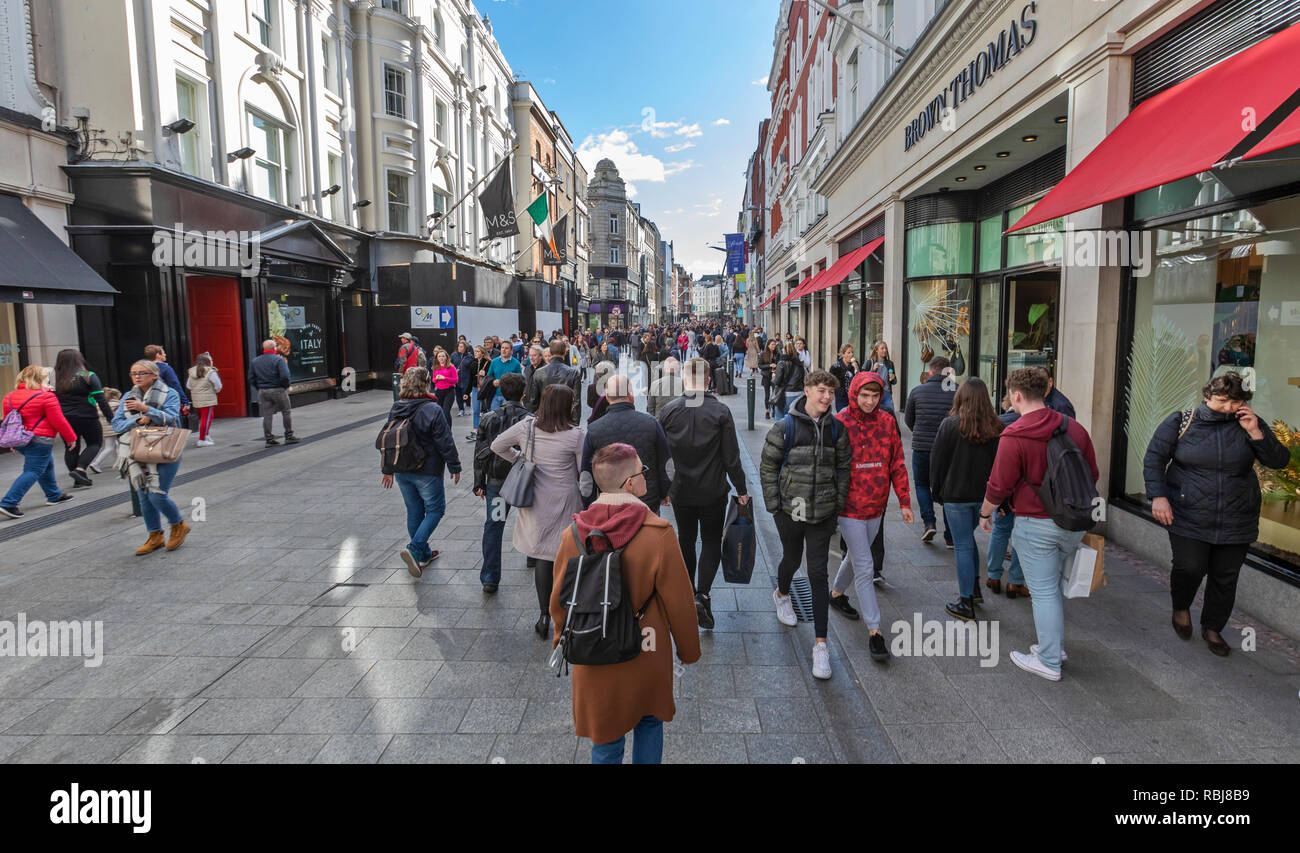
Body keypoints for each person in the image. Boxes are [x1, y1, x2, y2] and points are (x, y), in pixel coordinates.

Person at [551, 443, 701, 764]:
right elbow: (680, 602)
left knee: (605, 741)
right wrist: (688, 651)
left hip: (593, 649)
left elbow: (559, 601)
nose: (647, 476)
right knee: (649, 722)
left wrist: (562, 642)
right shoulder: (658, 533)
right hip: (646, 649)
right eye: (643, 472)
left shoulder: (573, 535)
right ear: (630, 484)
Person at [1143, 372, 1289, 656]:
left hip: (1237, 516)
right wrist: (1158, 496)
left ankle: (1213, 628)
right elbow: (1154, 458)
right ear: (1207, 396)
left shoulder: (1249, 425)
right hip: (1188, 512)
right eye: (1223, 400)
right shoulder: (1180, 421)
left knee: (1225, 577)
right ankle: (1181, 607)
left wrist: (1256, 432)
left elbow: (1278, 461)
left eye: (1236, 401)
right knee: (1190, 567)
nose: (1228, 407)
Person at [979, 367, 1099, 681]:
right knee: (1054, 587)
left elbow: (999, 485)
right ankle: (1053, 647)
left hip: (1036, 523)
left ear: (1016, 396)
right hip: (1073, 522)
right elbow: (1093, 474)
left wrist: (985, 513)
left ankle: (1048, 660)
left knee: (1044, 591)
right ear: (1045, 391)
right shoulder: (1074, 428)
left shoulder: (1016, 433)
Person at [760, 369, 851, 680]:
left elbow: (843, 468)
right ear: (808, 390)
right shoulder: (784, 427)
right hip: (790, 510)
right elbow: (768, 467)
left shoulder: (837, 430)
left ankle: (821, 644)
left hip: (822, 513)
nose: (827, 397)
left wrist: (837, 503)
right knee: (790, 559)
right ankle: (782, 594)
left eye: (830, 392)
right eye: (821, 391)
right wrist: (774, 505)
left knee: (817, 574)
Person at [827, 372, 912, 660]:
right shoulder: (840, 422)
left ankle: (836, 594)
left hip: (877, 505)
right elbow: (829, 464)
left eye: (875, 396)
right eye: (865, 395)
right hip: (849, 507)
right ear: (854, 394)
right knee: (865, 566)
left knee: (855, 556)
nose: (870, 401)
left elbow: (898, 463)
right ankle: (875, 631)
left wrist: (904, 502)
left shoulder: (888, 421)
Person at [658, 358, 748, 629]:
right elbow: (731, 457)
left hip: (681, 491)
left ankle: (688, 593)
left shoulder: (669, 411)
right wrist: (742, 489)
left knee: (686, 539)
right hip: (712, 491)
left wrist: (664, 488)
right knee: (711, 541)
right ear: (708, 380)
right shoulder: (721, 411)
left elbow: (662, 455)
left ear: (685, 379)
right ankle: (703, 593)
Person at [491, 384, 584, 638]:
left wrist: (522, 460)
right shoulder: (576, 435)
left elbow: (497, 446)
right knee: (565, 555)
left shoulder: (527, 427)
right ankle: (563, 613)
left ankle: (544, 615)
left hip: (536, 498)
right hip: (565, 498)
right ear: (568, 407)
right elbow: (581, 471)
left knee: (542, 556)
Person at [929, 377, 1003, 621]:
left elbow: (937, 463)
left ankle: (966, 602)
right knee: (967, 540)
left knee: (961, 544)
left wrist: (936, 491)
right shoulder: (998, 428)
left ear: (960, 397)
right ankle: (975, 589)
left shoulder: (950, 425)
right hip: (984, 497)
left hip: (956, 495)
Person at [381, 366, 461, 578]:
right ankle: (415, 548)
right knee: (435, 510)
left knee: (414, 510)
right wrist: (455, 466)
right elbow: (445, 441)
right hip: (427, 470)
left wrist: (387, 469)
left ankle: (424, 554)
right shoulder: (433, 409)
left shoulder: (396, 407)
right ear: (426, 384)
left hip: (401, 470)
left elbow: (390, 440)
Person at [112, 359, 191, 554]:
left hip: (164, 448)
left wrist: (148, 410)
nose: (137, 376)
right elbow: (116, 425)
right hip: (137, 450)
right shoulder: (128, 397)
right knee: (143, 496)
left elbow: (172, 418)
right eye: (133, 373)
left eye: (142, 373)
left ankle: (178, 525)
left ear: (155, 375)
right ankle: (155, 535)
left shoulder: (169, 394)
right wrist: (138, 419)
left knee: (157, 494)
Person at [473, 373, 530, 594]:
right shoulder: (531, 419)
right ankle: (533, 555)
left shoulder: (488, 417)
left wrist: (479, 482)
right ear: (524, 394)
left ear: (501, 392)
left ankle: (490, 577)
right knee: (530, 518)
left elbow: (479, 452)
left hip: (497, 482)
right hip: (524, 480)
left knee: (494, 526)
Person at [581, 374, 671, 514]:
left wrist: (590, 504)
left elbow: (586, 474)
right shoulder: (651, 423)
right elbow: (666, 463)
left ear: (607, 398)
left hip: (610, 505)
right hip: (646, 500)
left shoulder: (594, 430)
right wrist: (664, 492)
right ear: (631, 396)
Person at [1, 365, 77, 518]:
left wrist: (11, 442)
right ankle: (9, 503)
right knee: (33, 470)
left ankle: (54, 495)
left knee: (46, 464)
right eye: (46, 378)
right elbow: (58, 421)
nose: (49, 381)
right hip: (40, 440)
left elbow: (10, 422)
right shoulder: (47, 396)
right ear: (39, 379)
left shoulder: (9, 396)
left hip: (20, 439)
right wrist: (71, 438)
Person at [904, 355, 956, 546]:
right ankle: (951, 535)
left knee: (922, 484)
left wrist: (919, 433)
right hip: (949, 449)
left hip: (922, 447)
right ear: (948, 373)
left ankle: (929, 523)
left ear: (930, 372)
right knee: (949, 490)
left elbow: (909, 420)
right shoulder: (957, 392)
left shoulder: (917, 391)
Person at [53, 349, 115, 488]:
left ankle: (78, 480)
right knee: (95, 443)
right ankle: (80, 470)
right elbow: (101, 400)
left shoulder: (55, 377)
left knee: (71, 447)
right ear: (78, 359)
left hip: (64, 418)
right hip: (87, 416)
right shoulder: (88, 376)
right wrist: (111, 418)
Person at [986, 393, 1029, 599]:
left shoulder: (997, 423)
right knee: (1021, 536)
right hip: (1026, 494)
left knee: (1000, 531)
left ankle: (993, 576)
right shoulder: (1032, 424)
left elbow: (992, 463)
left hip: (1003, 490)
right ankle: (1015, 582)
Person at [248, 339, 298, 447]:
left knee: (267, 415)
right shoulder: (279, 360)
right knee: (286, 411)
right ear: (274, 348)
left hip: (263, 391)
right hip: (278, 389)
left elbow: (251, 378)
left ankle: (269, 439)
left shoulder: (255, 361)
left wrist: (258, 387)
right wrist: (285, 386)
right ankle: (289, 435)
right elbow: (285, 376)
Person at [526, 340, 582, 424]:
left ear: (551, 352)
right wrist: (575, 423)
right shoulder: (573, 373)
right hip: (565, 418)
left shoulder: (539, 372)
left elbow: (534, 401)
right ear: (565, 352)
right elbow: (576, 401)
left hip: (545, 418)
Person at [186, 352, 222, 447]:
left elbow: (188, 385)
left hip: (196, 398)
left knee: (203, 418)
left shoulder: (192, 371)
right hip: (208, 398)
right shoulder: (211, 372)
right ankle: (202, 439)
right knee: (207, 419)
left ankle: (206, 435)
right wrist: (214, 391)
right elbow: (218, 386)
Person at [144, 344, 191, 417]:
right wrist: (185, 402)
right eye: (163, 353)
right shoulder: (166, 368)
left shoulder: (144, 369)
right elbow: (175, 385)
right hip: (166, 400)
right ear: (158, 355)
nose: (165, 354)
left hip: (148, 401)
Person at [88, 387, 123, 475]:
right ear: (115, 397)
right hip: (113, 428)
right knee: (110, 447)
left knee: (115, 445)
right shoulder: (117, 404)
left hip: (104, 429)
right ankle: (95, 463)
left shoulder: (99, 404)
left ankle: (119, 462)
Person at [485, 340, 523, 413]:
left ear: (511, 350)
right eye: (502, 348)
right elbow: (489, 376)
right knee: (494, 418)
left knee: (507, 419)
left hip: (509, 397)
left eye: (506, 348)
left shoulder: (516, 363)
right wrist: (493, 381)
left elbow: (520, 381)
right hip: (495, 395)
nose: (504, 350)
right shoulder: (494, 362)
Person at [772, 341, 805, 419]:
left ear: (785, 350)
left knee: (780, 420)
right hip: (798, 395)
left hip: (785, 395)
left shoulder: (781, 363)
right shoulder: (800, 364)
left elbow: (777, 381)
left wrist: (773, 376)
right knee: (795, 421)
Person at [428, 348, 459, 424]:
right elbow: (433, 380)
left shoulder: (451, 367)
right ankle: (441, 430)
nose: (441, 358)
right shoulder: (435, 367)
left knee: (446, 412)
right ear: (437, 358)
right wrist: (436, 379)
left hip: (449, 391)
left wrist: (444, 378)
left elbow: (455, 380)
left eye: (443, 356)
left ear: (446, 357)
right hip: (438, 391)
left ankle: (448, 431)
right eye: (439, 356)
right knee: (439, 412)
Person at [828, 344, 859, 413]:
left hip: (853, 397)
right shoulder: (836, 367)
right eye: (849, 352)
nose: (851, 354)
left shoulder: (855, 364)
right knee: (843, 416)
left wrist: (857, 369)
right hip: (841, 397)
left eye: (852, 352)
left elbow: (859, 378)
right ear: (843, 354)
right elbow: (831, 381)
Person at [586, 360, 615, 424]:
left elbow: (590, 404)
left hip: (597, 419)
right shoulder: (615, 388)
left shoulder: (591, 388)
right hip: (611, 419)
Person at [452, 341, 475, 417]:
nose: (460, 348)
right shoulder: (454, 355)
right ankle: (461, 409)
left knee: (466, 393)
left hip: (466, 378)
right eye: (459, 346)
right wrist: (454, 370)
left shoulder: (470, 356)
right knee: (458, 395)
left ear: (465, 348)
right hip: (457, 378)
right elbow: (450, 365)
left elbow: (473, 367)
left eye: (462, 347)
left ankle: (468, 407)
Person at [758, 338, 780, 419]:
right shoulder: (763, 354)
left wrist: (776, 366)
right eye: (772, 344)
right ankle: (767, 411)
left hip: (775, 376)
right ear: (768, 345)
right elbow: (760, 365)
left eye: (775, 344)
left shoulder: (777, 354)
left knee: (775, 394)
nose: (774, 346)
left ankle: (774, 410)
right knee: (767, 394)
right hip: (766, 376)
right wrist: (769, 366)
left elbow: (780, 363)